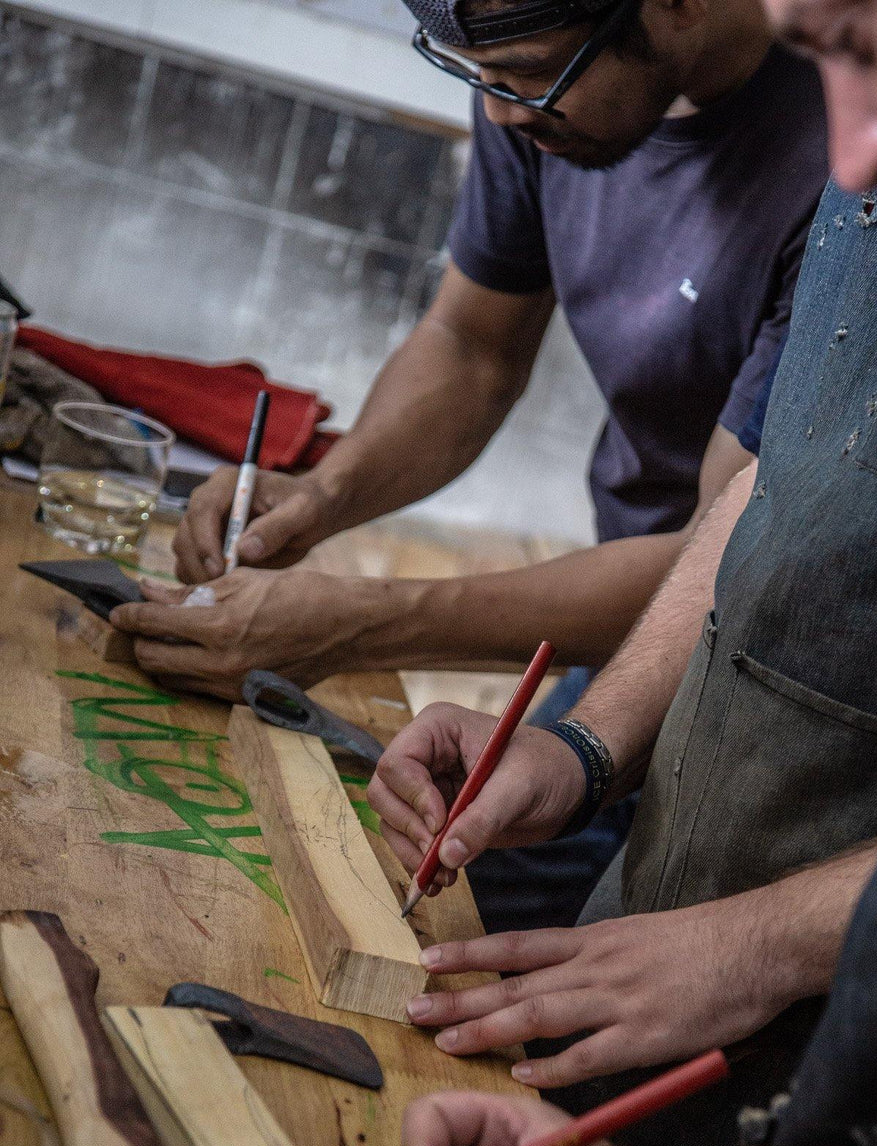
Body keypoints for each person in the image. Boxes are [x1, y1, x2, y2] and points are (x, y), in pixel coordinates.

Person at [326, 13, 877, 1146]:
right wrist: (579, 747)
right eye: (830, 50)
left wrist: (766, 943)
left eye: (867, 47)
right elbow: (767, 491)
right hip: (786, 1115)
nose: (853, 144)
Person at [111, 0, 828, 930]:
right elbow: (472, 345)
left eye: (528, 73)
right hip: (616, 633)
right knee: (420, 897)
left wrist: (366, 624)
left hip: (776, 698)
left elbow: (724, 553)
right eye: (478, 76)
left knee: (564, 978)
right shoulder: (534, 90)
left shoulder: (847, 180)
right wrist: (326, 493)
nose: (499, 113)